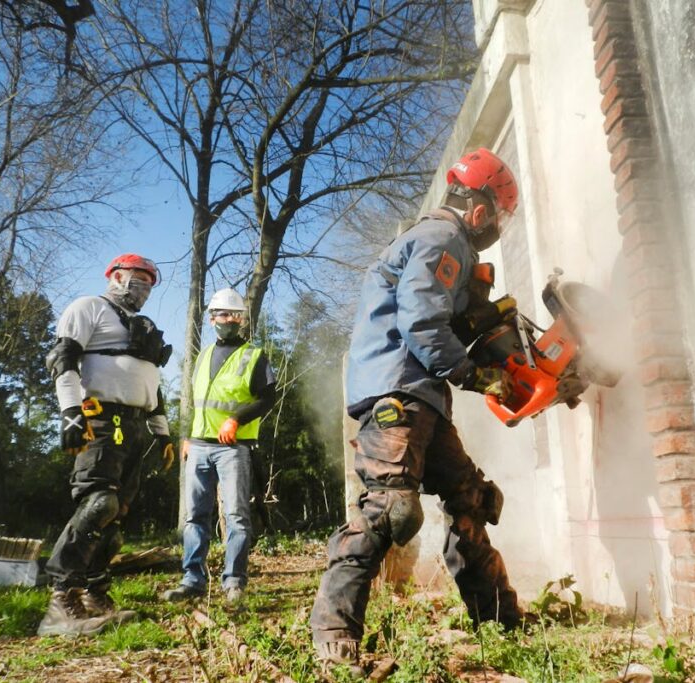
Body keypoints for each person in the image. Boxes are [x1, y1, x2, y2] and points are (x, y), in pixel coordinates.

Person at [309, 148, 525, 671]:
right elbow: (423, 324)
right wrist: (475, 375)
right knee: (391, 508)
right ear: (479, 209)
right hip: (398, 393)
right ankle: (334, 634)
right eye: (497, 215)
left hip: (420, 396)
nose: (494, 226)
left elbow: (441, 319)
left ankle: (499, 621)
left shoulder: (441, 245)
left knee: (469, 497)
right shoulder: (441, 237)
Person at [38, 253, 176, 637]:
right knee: (100, 502)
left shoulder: (141, 326)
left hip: (134, 425)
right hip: (100, 418)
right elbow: (63, 358)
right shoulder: (88, 308)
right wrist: (70, 414)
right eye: (137, 278)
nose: (144, 288)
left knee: (116, 518)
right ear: (115, 276)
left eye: (149, 283)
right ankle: (60, 601)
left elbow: (152, 384)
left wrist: (161, 432)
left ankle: (95, 594)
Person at [163, 288, 276, 604]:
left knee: (237, 516)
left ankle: (234, 584)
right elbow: (197, 402)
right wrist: (187, 435)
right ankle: (192, 580)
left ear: (241, 319)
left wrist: (236, 420)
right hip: (198, 446)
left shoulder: (254, 356)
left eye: (235, 314)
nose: (229, 319)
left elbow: (268, 397)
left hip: (233, 448)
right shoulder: (202, 356)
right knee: (195, 517)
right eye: (223, 314)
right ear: (212, 318)